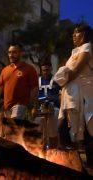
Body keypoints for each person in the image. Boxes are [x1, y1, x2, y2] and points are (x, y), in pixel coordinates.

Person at [54, 24, 93, 153]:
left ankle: (88, 164)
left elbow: (75, 71)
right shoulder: (74, 52)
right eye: (73, 33)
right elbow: (68, 73)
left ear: (84, 34)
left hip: (84, 94)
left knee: (86, 128)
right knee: (63, 129)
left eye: (76, 33)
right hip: (70, 95)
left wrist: (60, 79)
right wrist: (63, 85)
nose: (73, 35)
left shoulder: (87, 47)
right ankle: (72, 162)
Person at [0, 43, 38, 140]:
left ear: (21, 53)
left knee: (13, 129)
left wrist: (33, 106)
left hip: (21, 105)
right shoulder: (5, 70)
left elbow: (34, 88)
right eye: (9, 52)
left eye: (14, 52)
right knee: (9, 132)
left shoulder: (29, 69)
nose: (11, 55)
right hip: (7, 107)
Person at [35, 60, 61, 148]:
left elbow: (61, 95)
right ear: (41, 70)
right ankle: (40, 150)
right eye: (44, 70)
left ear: (51, 68)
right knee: (38, 130)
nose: (45, 72)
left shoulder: (56, 80)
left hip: (54, 108)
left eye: (47, 70)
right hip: (40, 109)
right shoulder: (37, 81)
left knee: (52, 130)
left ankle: (53, 150)